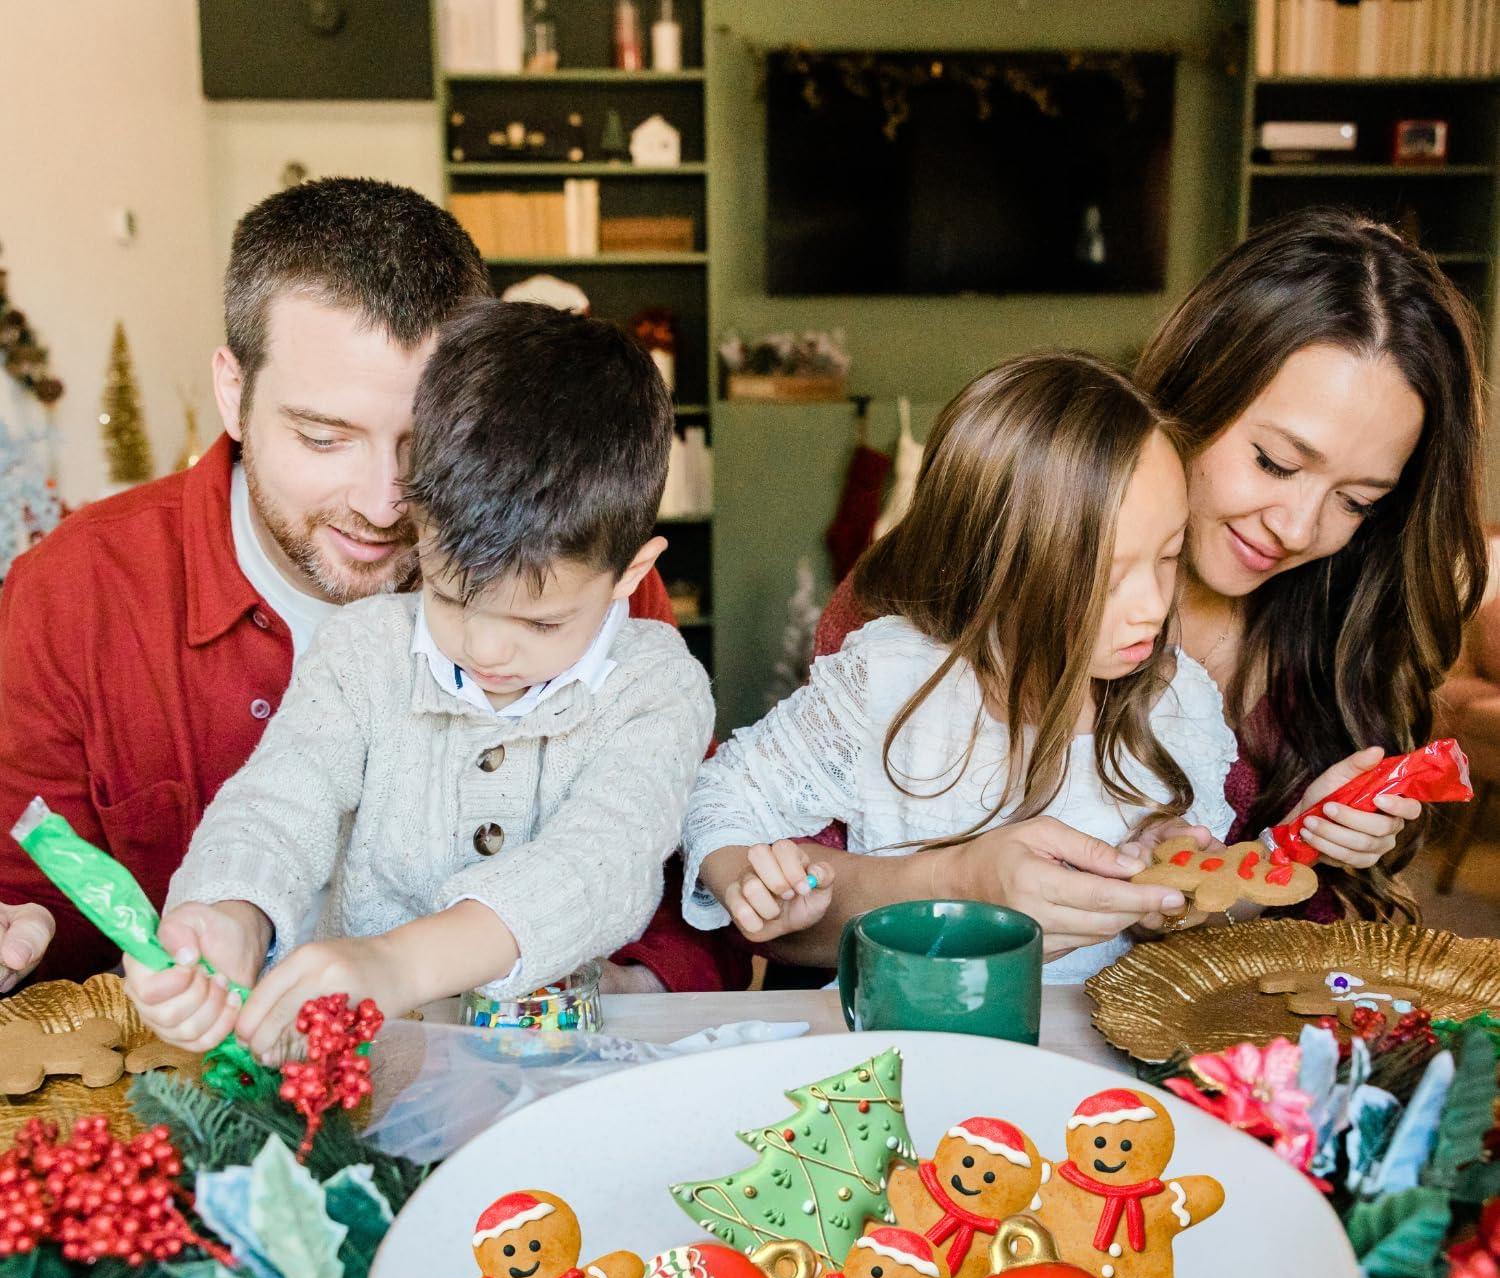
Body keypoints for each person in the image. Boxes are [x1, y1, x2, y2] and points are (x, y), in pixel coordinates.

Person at [0, 177, 738, 996]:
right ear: (234, 394)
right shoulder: (74, 590)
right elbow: (50, 895)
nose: (385, 502)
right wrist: (212, 920)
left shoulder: (578, 576)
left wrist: (611, 991)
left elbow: (684, 874)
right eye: (325, 438)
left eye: (423, 448)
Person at [796, 210, 1488, 967]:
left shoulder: (1334, 643)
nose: (1296, 528)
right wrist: (957, 883)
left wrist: (1304, 846)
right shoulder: (950, 581)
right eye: (1275, 463)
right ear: (1198, 388)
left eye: (1356, 501)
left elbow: (1292, 959)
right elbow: (766, 905)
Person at [124, 300, 714, 1062]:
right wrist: (228, 910)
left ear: (631, 573)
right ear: (418, 527)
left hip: (557, 1067)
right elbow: (280, 799)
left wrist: (397, 965)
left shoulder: (655, 686)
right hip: (367, 1073)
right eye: (450, 598)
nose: (485, 648)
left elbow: (599, 865)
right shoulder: (365, 650)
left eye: (541, 624)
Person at [680, 351, 1237, 983]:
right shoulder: (893, 680)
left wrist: (1171, 883)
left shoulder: (1178, 702)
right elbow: (720, 796)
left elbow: (1211, 905)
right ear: (994, 565)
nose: (1154, 607)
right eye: (1108, 579)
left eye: (1169, 556)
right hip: (905, 1029)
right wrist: (746, 875)